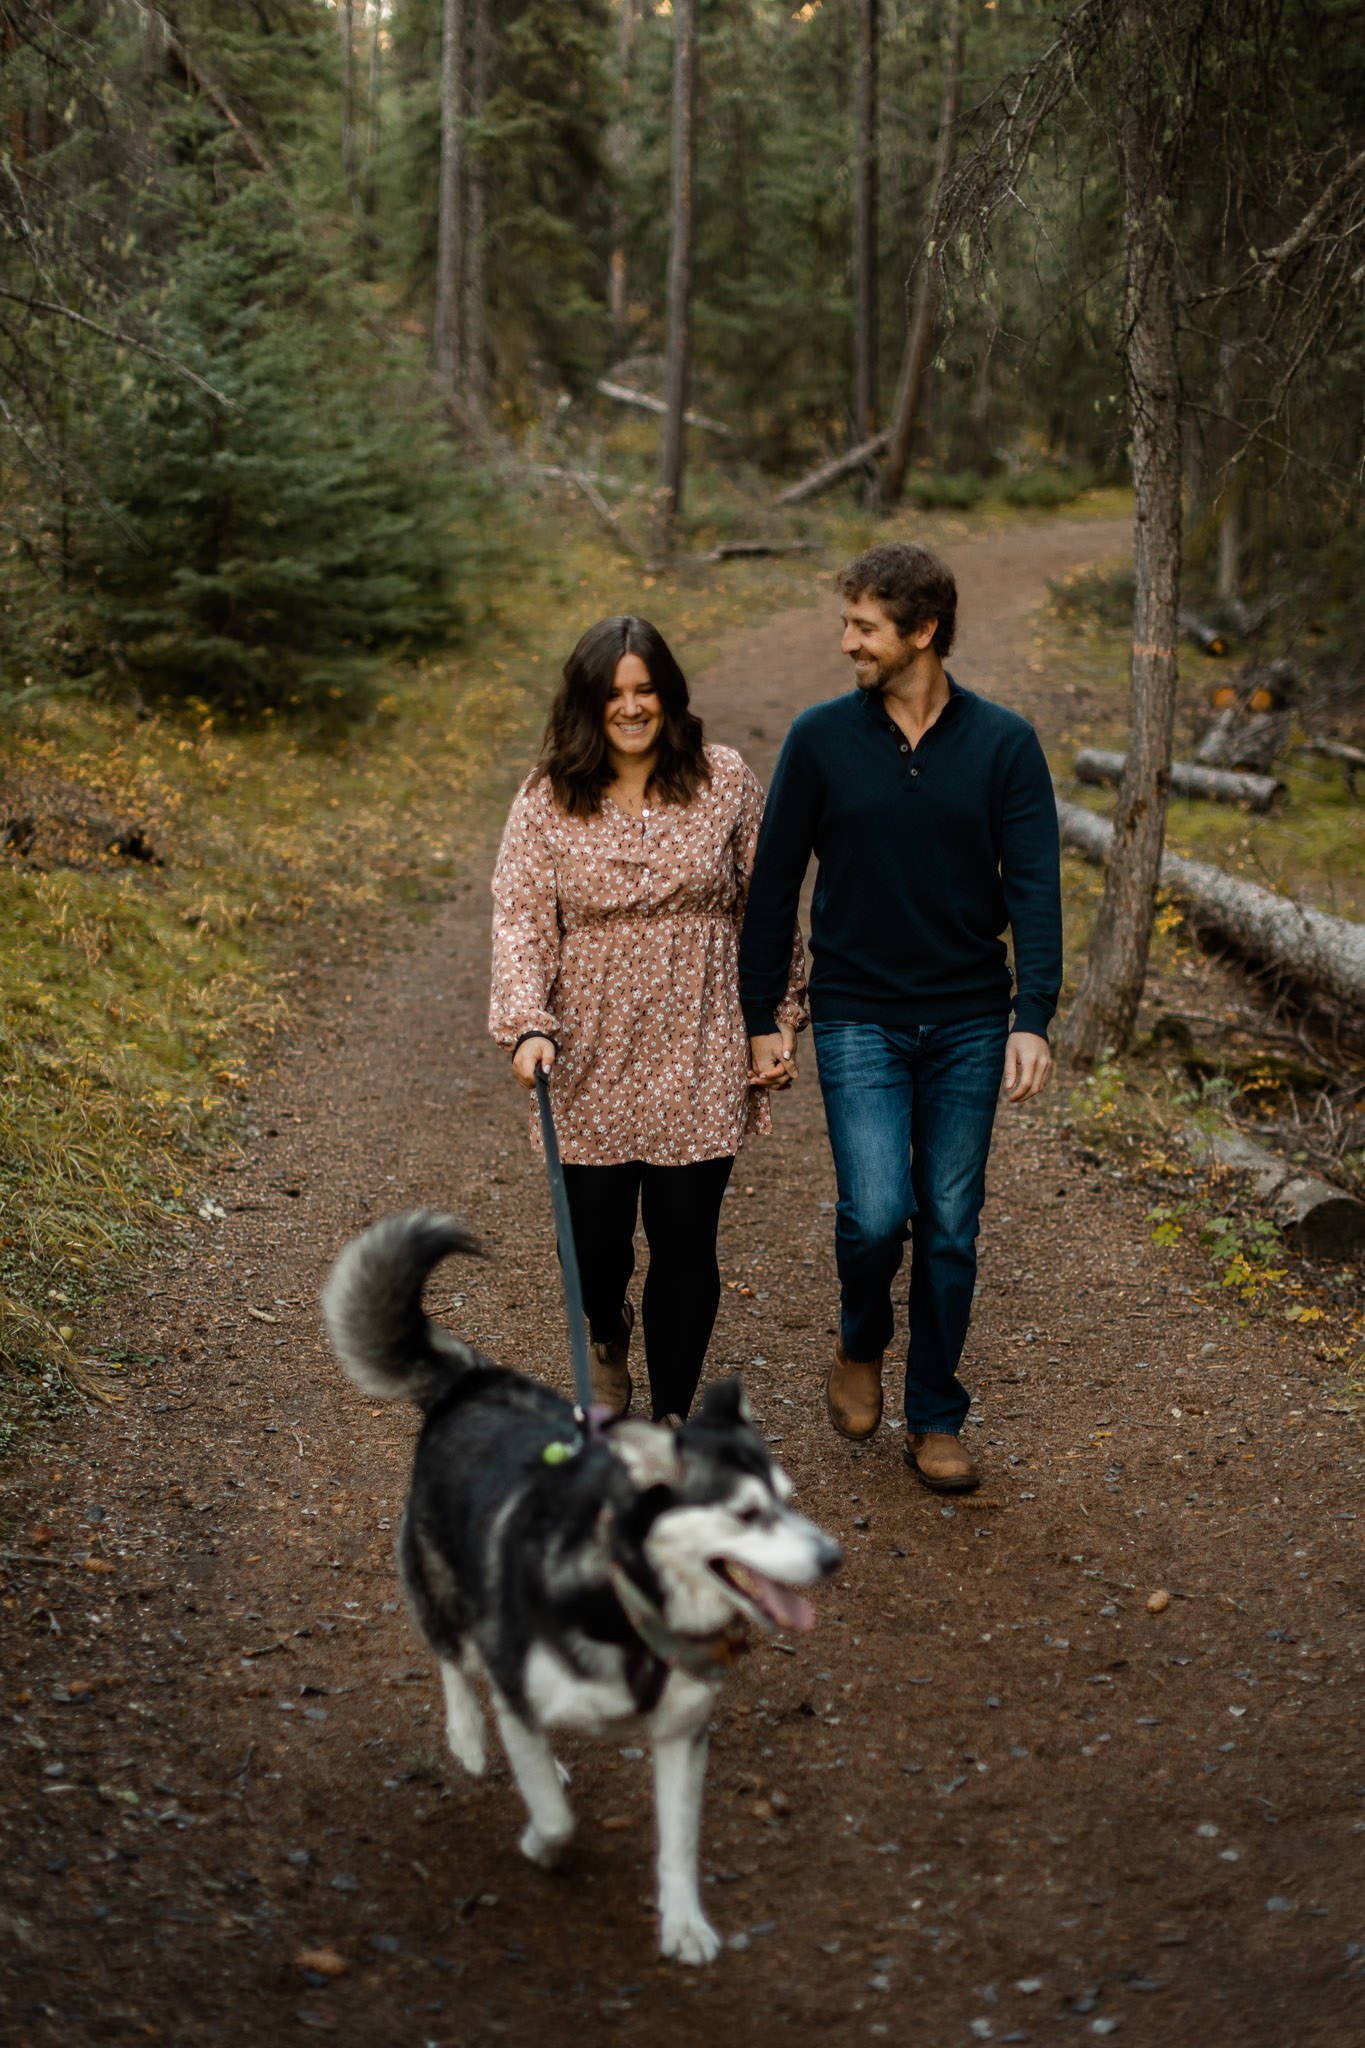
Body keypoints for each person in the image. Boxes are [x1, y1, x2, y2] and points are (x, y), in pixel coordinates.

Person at [738, 542, 1062, 1494]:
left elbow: (1035, 889)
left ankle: (935, 1415)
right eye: (847, 623)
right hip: (857, 1014)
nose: (847, 643)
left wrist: (1030, 1014)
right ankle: (859, 1338)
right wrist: (764, 1011)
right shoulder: (820, 739)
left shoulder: (1004, 744)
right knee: (877, 1214)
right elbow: (772, 889)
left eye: (864, 627)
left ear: (922, 632)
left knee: (952, 1223)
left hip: (968, 1014)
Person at [489, 615, 804, 1425]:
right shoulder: (546, 795)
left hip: (698, 1034)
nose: (630, 708)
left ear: (667, 694)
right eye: (613, 694)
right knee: (594, 1244)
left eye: (645, 690)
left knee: (684, 1239)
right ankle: (605, 1328)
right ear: (587, 704)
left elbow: (764, 904)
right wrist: (528, 1021)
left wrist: (775, 1013)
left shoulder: (723, 778)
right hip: (586, 1044)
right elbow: (521, 917)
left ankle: (667, 1418)